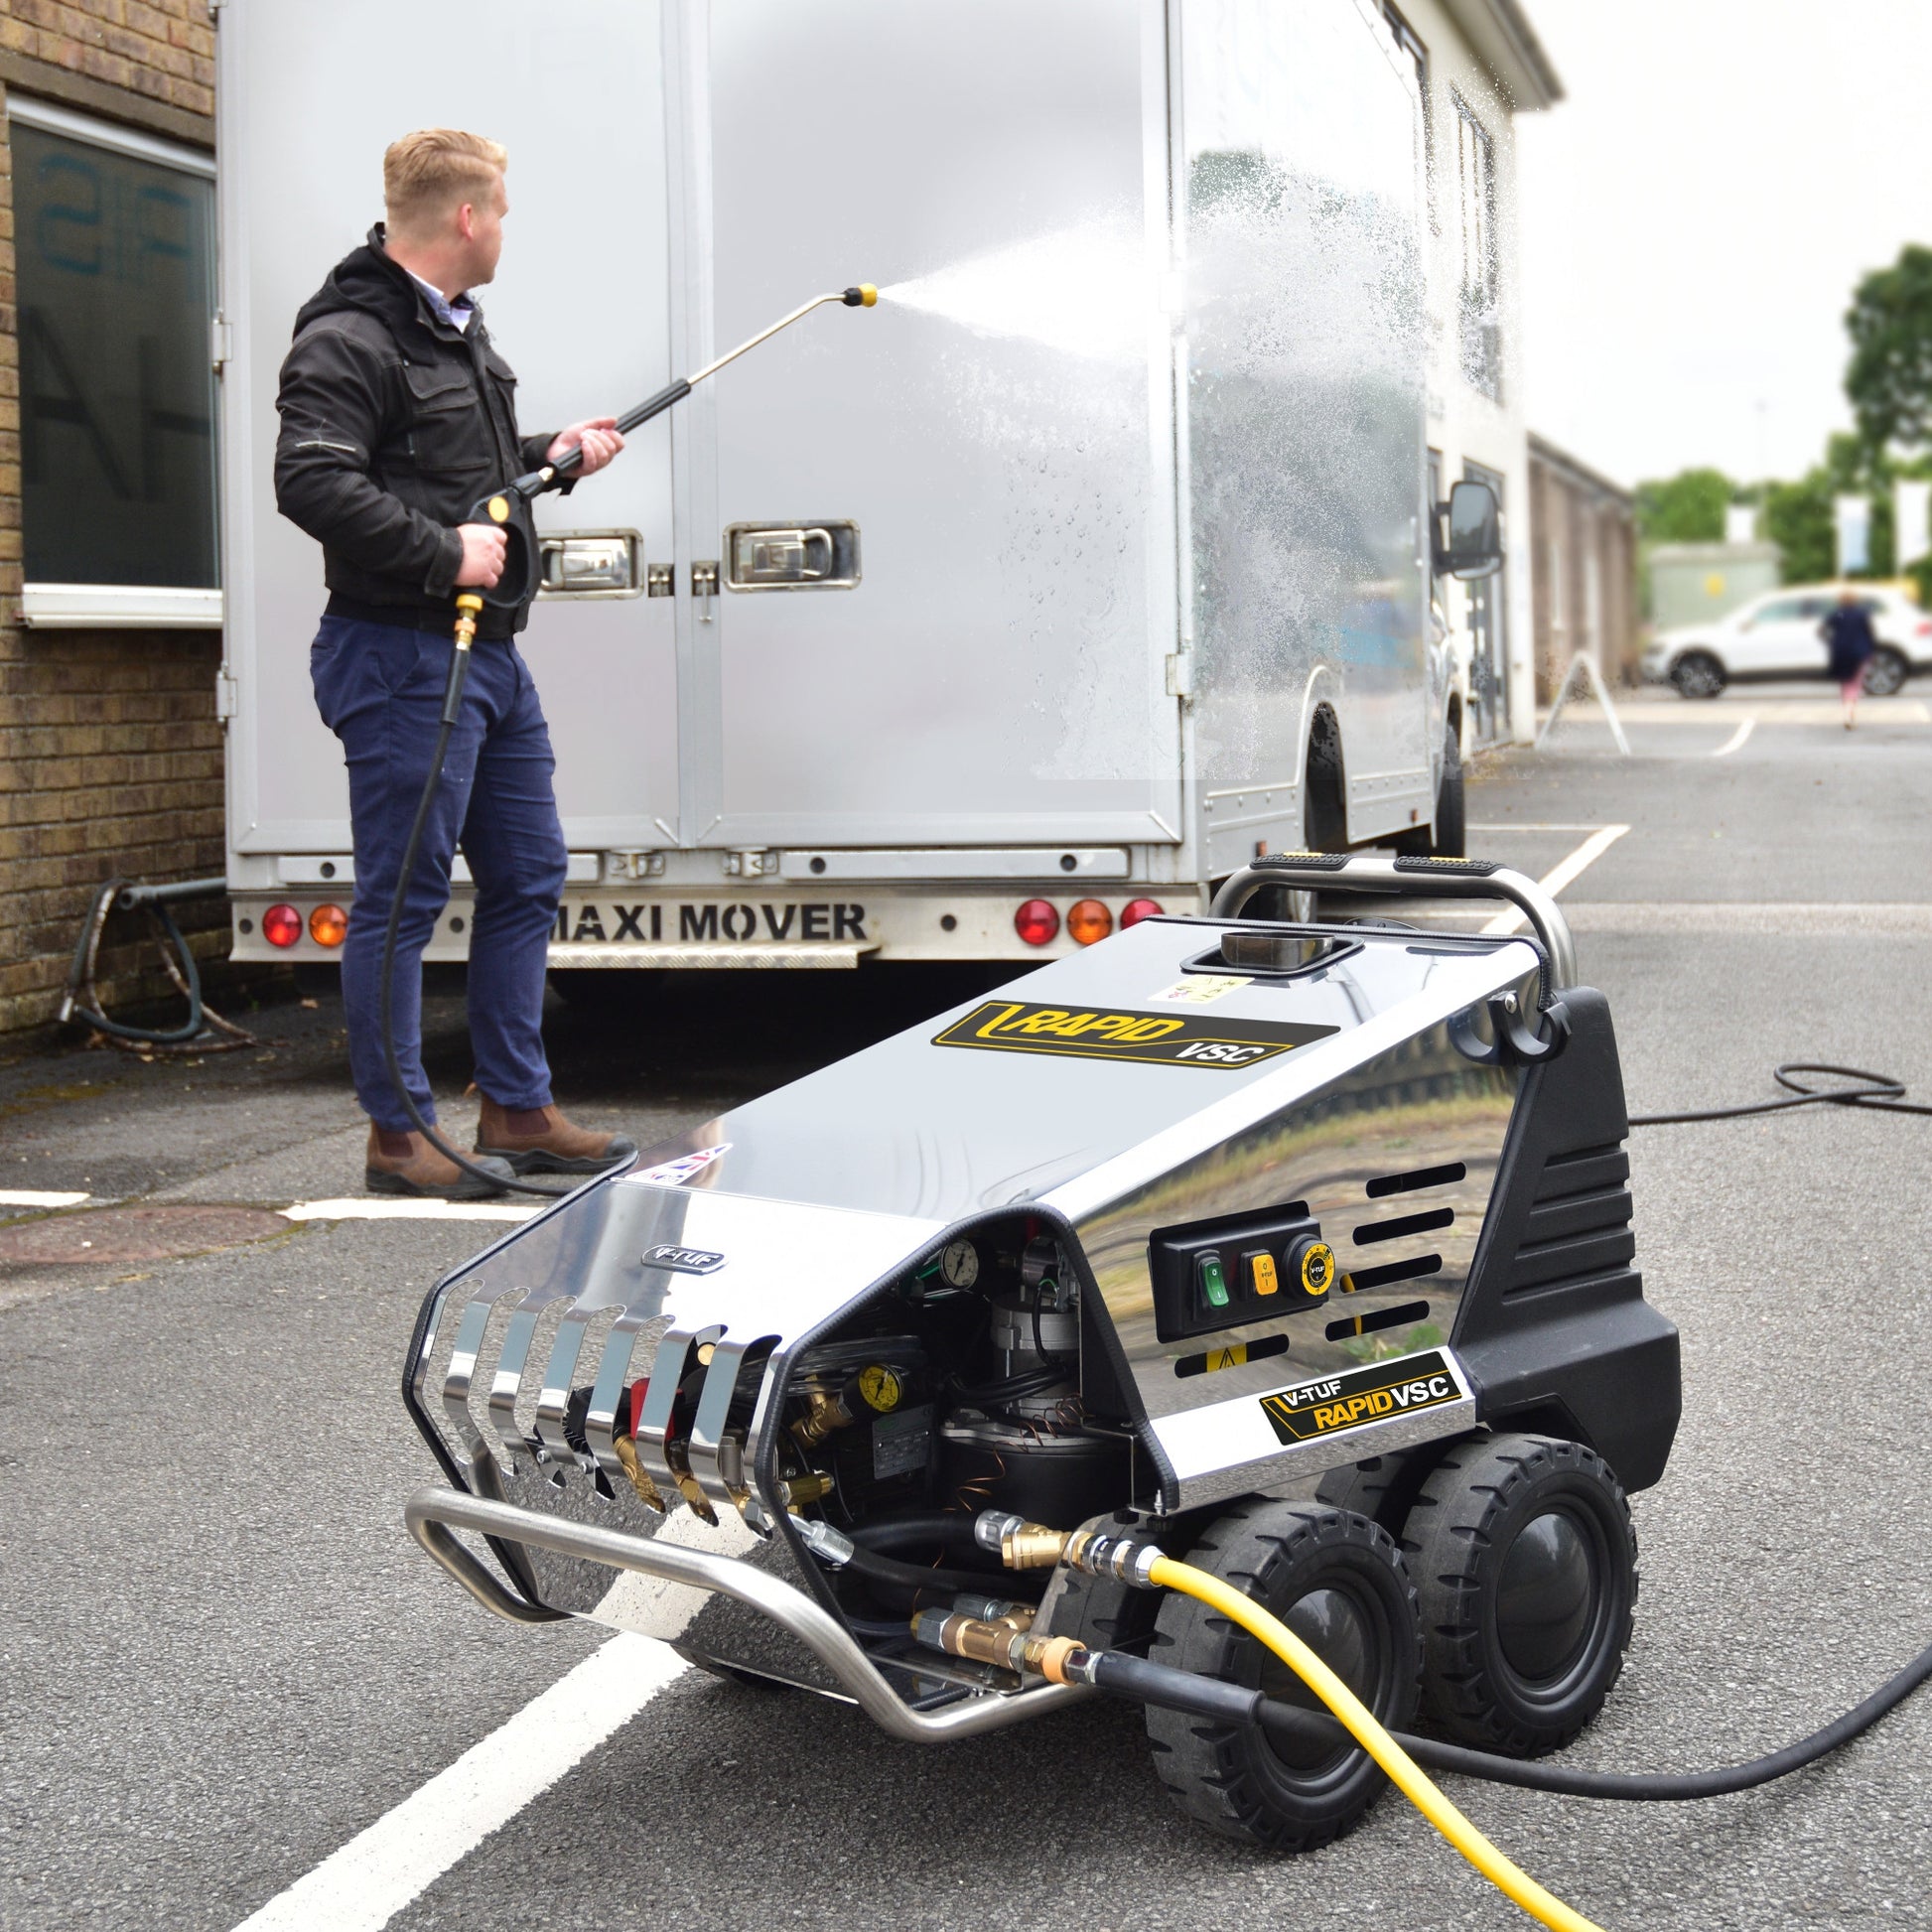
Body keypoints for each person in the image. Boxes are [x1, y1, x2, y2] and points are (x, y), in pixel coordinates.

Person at [274, 128, 637, 1197]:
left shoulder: (454, 334)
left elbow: (462, 474)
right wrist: (443, 553)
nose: (506, 229)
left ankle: (516, 1107)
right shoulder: (349, 338)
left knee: (527, 873)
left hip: (489, 661)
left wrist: (547, 457)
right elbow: (311, 483)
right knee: (401, 896)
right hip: (399, 657)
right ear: (467, 218)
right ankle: (400, 1136)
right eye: (504, 211)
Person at [1820, 587, 1876, 730]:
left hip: (1840, 652)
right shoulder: (1862, 614)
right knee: (1855, 684)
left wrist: (1831, 642)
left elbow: (1821, 630)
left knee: (1845, 684)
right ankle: (1849, 715)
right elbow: (1870, 633)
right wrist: (1871, 651)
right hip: (1859, 653)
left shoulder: (1837, 614)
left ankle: (1847, 713)